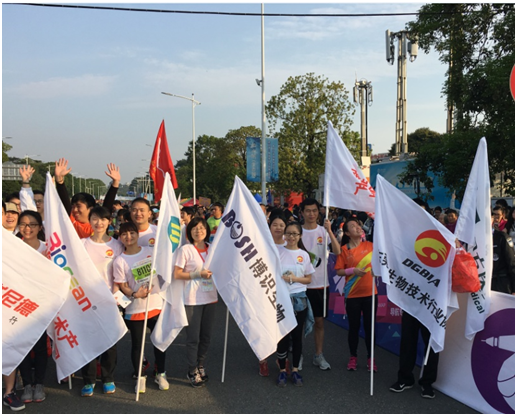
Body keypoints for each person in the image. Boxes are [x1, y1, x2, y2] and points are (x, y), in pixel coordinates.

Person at [390, 197, 440, 399]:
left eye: (422, 211)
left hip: (432, 301)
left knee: (431, 344)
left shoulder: (439, 235)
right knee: (408, 341)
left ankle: (427, 382)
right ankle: (405, 378)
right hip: (411, 299)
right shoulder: (402, 237)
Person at [112, 222, 168, 394]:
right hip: (135, 308)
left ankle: (160, 373)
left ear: (137, 234)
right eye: (124, 234)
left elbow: (163, 270)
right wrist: (135, 294)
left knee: (159, 341)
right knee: (137, 345)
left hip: (155, 304)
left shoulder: (150, 251)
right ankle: (140, 376)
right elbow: (122, 285)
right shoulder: (120, 261)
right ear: (120, 237)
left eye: (132, 233)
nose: (128, 237)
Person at [80, 206, 124, 396]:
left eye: (103, 219)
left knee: (109, 342)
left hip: (110, 301)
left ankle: (108, 378)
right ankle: (88, 380)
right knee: (88, 341)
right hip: (86, 301)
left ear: (109, 221)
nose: (99, 223)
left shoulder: (117, 245)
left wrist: (116, 295)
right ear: (89, 221)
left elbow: (122, 273)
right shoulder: (81, 244)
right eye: (95, 219)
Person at [174, 217, 217, 388]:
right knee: (193, 337)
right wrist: (197, 274)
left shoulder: (212, 248)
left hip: (211, 298)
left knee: (206, 336)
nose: (198, 231)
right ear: (189, 231)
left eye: (201, 228)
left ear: (207, 230)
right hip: (192, 299)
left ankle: (200, 365)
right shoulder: (185, 250)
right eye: (195, 228)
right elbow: (177, 274)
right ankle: (192, 370)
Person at [299, 198, 341, 370]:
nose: (311, 214)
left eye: (314, 211)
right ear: (302, 212)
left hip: (320, 284)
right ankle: (298, 356)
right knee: (299, 324)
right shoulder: (297, 231)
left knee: (319, 322)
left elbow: (337, 251)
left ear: (319, 212)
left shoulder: (324, 231)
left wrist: (329, 231)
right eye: (308, 211)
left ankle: (318, 355)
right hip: (300, 284)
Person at [334, 218, 378, 372]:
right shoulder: (344, 250)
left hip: (370, 293)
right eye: (353, 226)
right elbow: (339, 271)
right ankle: (353, 357)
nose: (358, 227)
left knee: (370, 328)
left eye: (358, 225)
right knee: (354, 327)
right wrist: (352, 271)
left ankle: (371, 358)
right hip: (352, 294)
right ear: (347, 233)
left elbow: (381, 262)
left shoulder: (371, 246)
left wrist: (377, 270)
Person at [276, 222, 315, 387]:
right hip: (282, 299)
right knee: (282, 336)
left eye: (295, 234)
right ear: (284, 235)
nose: (291, 237)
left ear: (300, 236)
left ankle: (295, 369)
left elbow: (309, 279)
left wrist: (294, 278)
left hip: (299, 299)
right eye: (289, 233)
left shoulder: (304, 255)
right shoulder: (278, 252)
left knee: (297, 336)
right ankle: (282, 370)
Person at [16, 211, 48, 404]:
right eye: (23, 224)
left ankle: (39, 384)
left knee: (40, 346)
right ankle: (27, 384)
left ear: (39, 227)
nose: (27, 228)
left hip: (42, 305)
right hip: (18, 304)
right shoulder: (13, 247)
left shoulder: (48, 249)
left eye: (32, 225)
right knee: (23, 346)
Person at [54, 158, 120, 238]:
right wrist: (59, 181)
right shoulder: (72, 223)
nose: (74, 210)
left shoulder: (99, 226)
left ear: (91, 208)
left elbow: (107, 207)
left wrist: (115, 183)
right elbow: (65, 202)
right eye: (73, 206)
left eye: (78, 206)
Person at [259, 212, 288, 377]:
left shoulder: (290, 244)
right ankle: (262, 359)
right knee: (264, 326)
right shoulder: (263, 244)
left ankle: (281, 358)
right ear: (269, 226)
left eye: (282, 225)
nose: (278, 228)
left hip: (284, 293)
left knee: (282, 326)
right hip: (265, 290)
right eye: (275, 225)